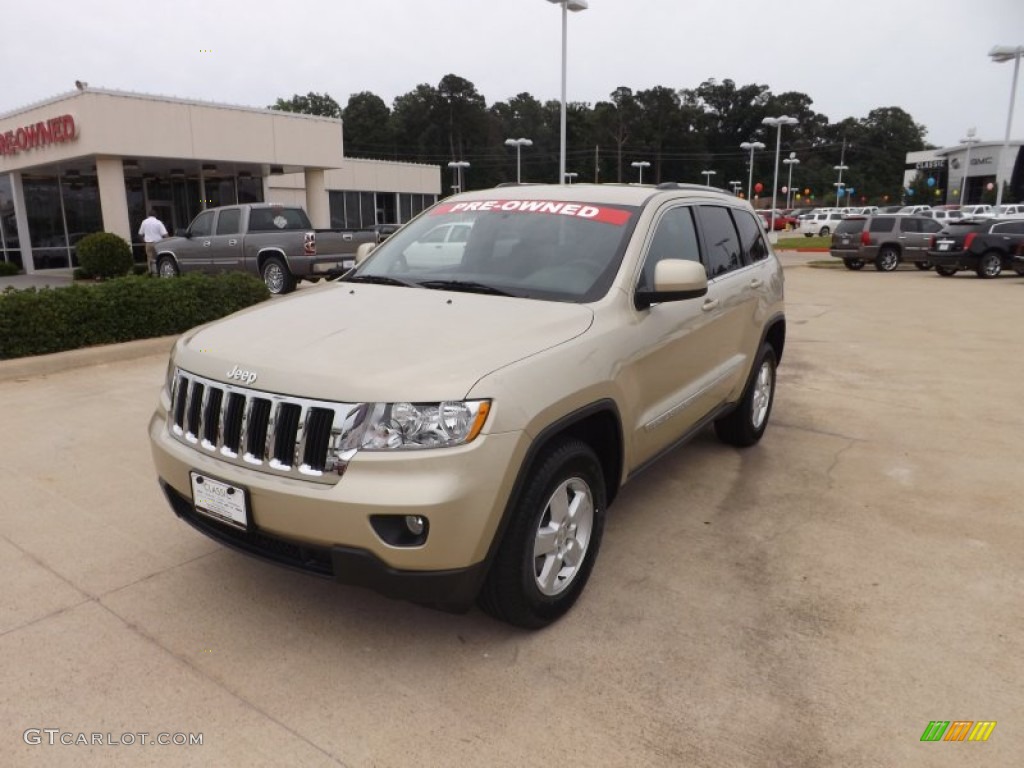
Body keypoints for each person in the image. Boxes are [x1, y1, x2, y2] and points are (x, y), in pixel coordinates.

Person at [138, 210, 168, 275]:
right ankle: (159, 272)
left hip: (148, 243)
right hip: (158, 243)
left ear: (148, 215)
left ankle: (151, 272)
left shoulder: (144, 222)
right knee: (158, 258)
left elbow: (140, 234)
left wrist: (144, 241)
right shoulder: (158, 222)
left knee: (149, 258)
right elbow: (165, 234)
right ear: (155, 215)